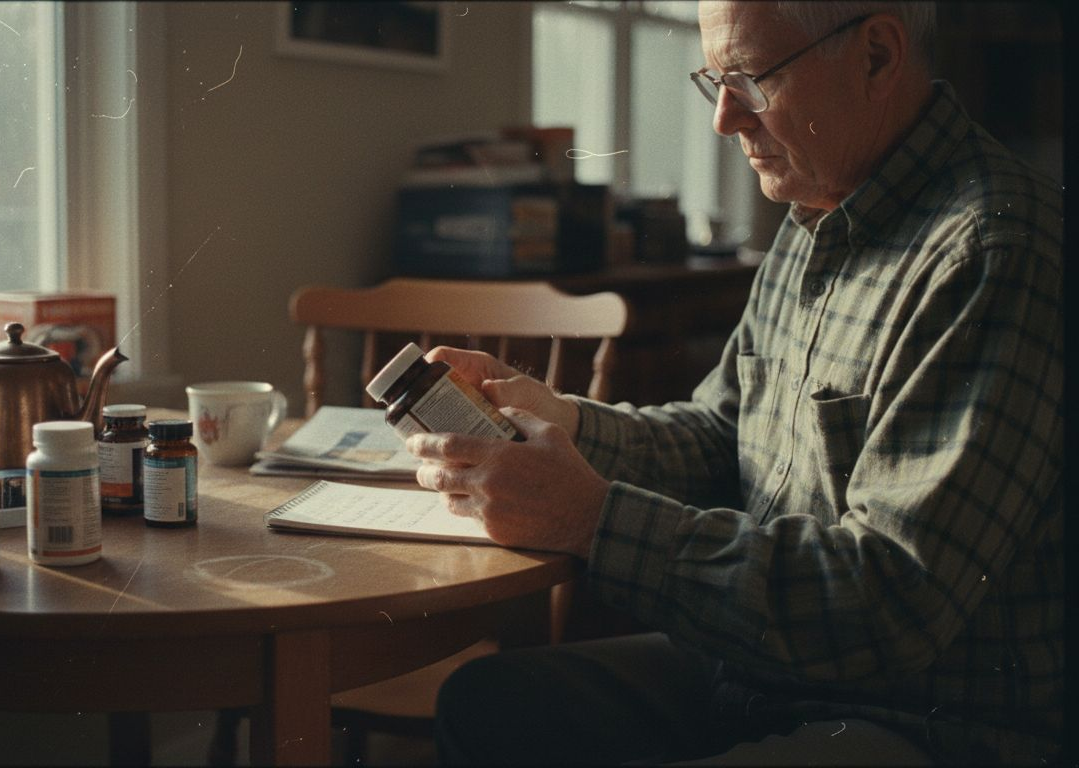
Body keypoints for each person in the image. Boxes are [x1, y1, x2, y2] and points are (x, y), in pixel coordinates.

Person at [409, 2, 1062, 764]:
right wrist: (568, 422)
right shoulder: (818, 208)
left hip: (927, 718)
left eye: (749, 78)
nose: (723, 119)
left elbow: (889, 604)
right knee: (491, 705)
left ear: (878, 57)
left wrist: (591, 519)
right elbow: (724, 434)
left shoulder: (996, 250)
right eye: (713, 80)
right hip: (767, 674)